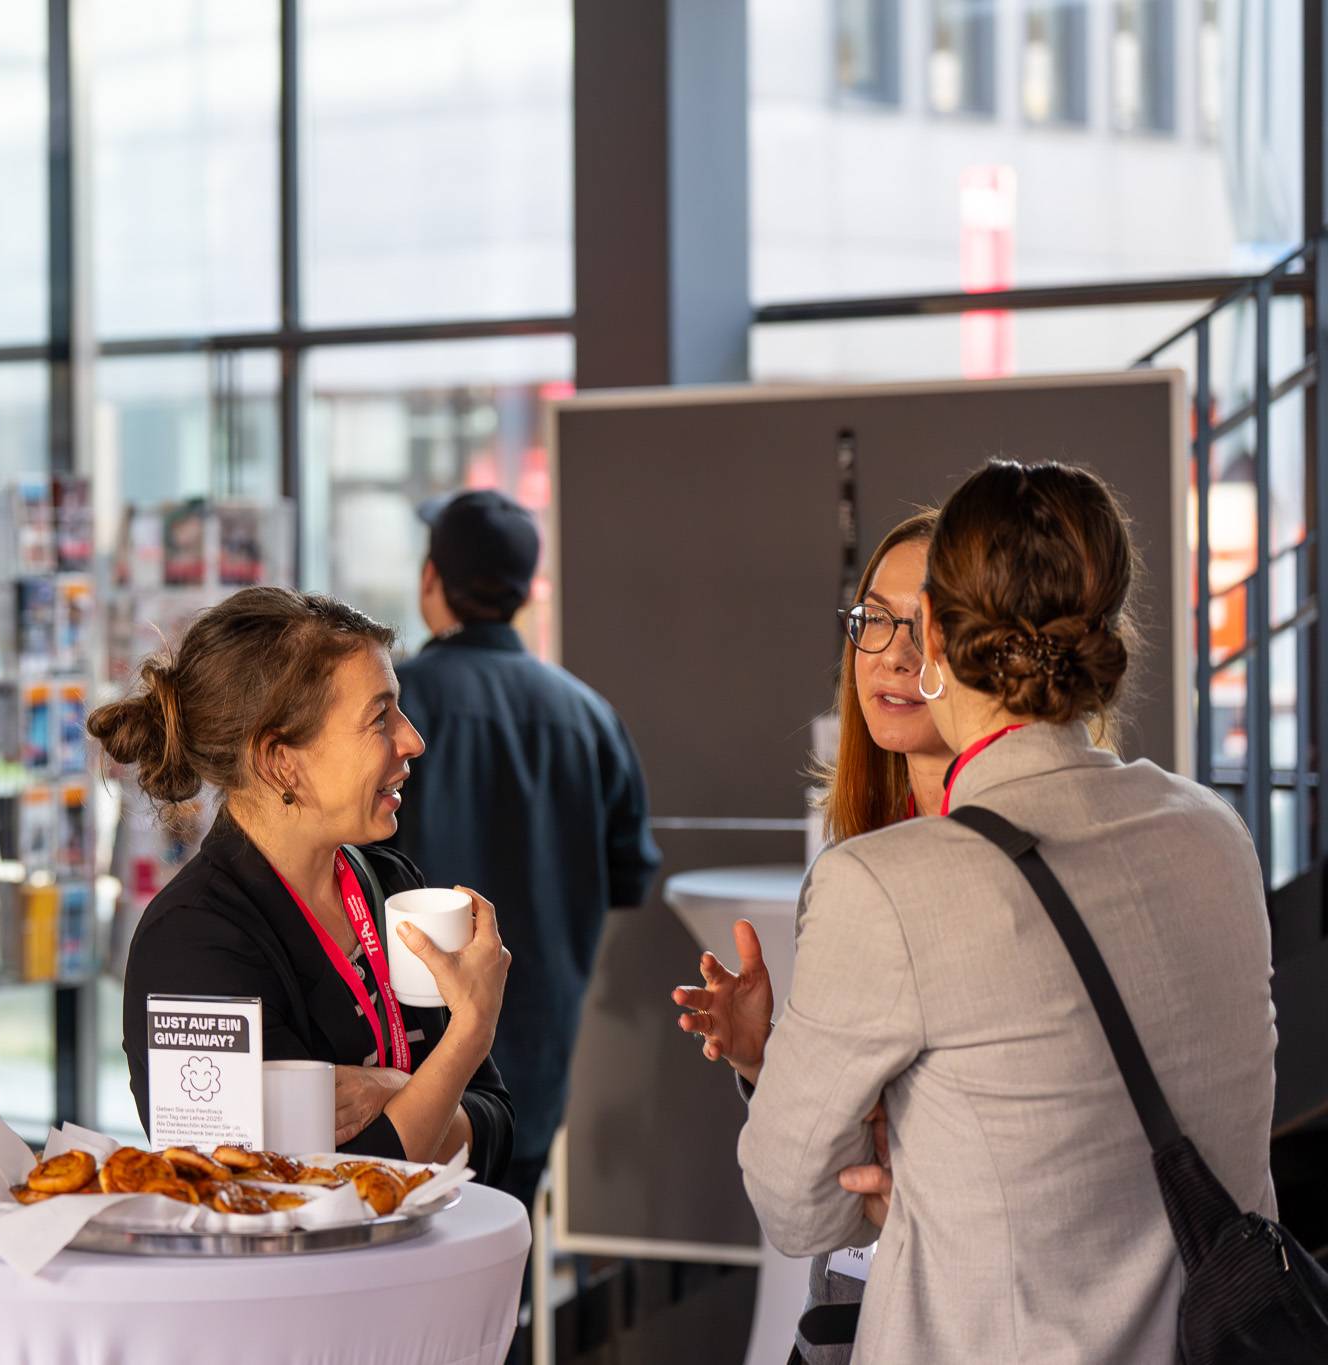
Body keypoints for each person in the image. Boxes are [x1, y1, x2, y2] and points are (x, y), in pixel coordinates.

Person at [683, 460, 1278, 1363]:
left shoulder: (887, 885)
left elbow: (796, 1207)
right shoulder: (1217, 835)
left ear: (946, 641)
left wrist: (916, 1189)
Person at [96, 586, 515, 1184]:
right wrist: (468, 1034)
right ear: (280, 761)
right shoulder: (192, 943)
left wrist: (397, 1089)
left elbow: (496, 1123)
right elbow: (318, 1186)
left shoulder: (391, 883)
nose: (413, 740)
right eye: (380, 716)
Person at [674, 509, 951, 1365]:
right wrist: (768, 1058)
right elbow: (812, 1171)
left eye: (929, 627)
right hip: (853, 1293)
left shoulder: (998, 861)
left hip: (962, 1298)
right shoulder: (861, 846)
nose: (894, 656)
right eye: (874, 620)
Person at [384, 488, 657, 1212]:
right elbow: (630, 874)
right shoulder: (589, 715)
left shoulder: (393, 707)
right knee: (502, 1264)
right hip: (536, 1057)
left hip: (406, 1065)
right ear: (524, 593)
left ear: (430, 580)